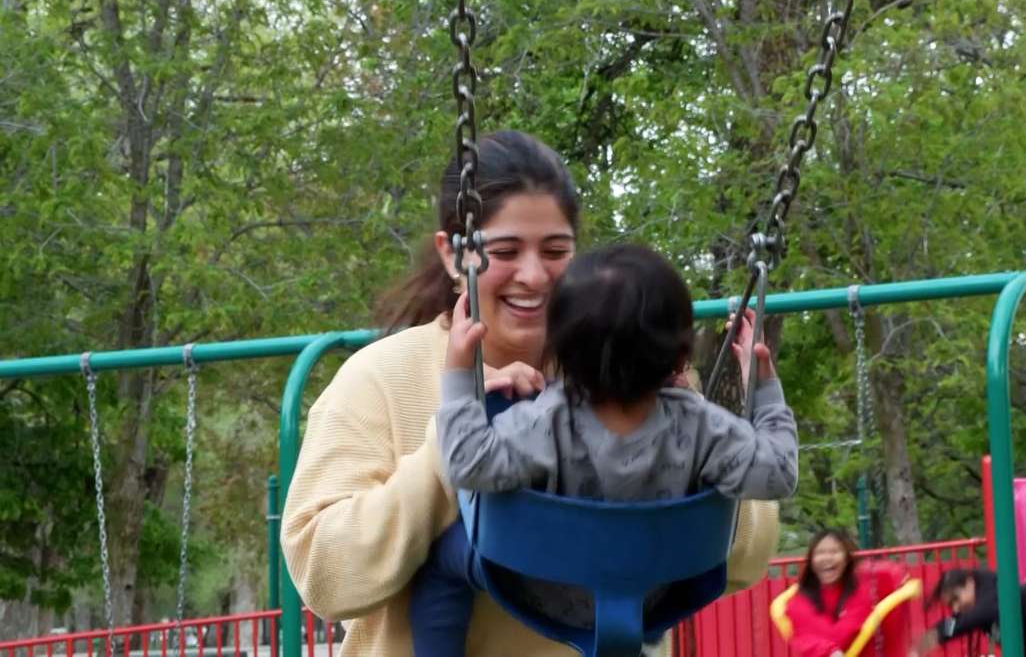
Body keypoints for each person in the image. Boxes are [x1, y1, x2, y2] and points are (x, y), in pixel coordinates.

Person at [279, 130, 785, 656]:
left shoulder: (634, 367)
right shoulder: (382, 379)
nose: (533, 275)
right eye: (504, 250)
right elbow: (325, 578)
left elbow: (745, 559)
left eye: (555, 250)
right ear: (454, 257)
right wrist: (442, 455)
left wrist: (692, 431)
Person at [409, 243, 799, 656]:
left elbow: (466, 464)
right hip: (654, 594)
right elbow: (779, 471)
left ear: (559, 348)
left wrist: (457, 373)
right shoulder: (705, 426)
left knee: (440, 567)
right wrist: (763, 390)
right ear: (681, 356)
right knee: (637, 554)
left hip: (542, 588)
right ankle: (629, 628)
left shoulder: (543, 420)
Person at [915, 568, 1026, 657]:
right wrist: (937, 632)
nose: (956, 608)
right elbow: (961, 620)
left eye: (956, 599)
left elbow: (980, 614)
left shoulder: (995, 593)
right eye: (951, 605)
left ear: (969, 583)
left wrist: (940, 633)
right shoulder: (981, 604)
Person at [778, 529, 879, 657]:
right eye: (820, 552)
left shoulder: (860, 590)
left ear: (847, 558)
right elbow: (811, 639)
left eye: (834, 551)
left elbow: (841, 635)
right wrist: (828, 650)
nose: (827, 558)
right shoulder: (798, 602)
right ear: (811, 561)